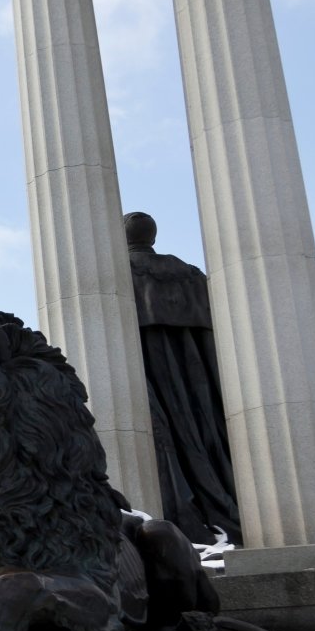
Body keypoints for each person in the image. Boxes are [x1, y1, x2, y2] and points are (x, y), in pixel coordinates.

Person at [125, 211, 242, 545]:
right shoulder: (190, 275)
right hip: (199, 383)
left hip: (150, 374)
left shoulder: (118, 276)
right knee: (205, 439)